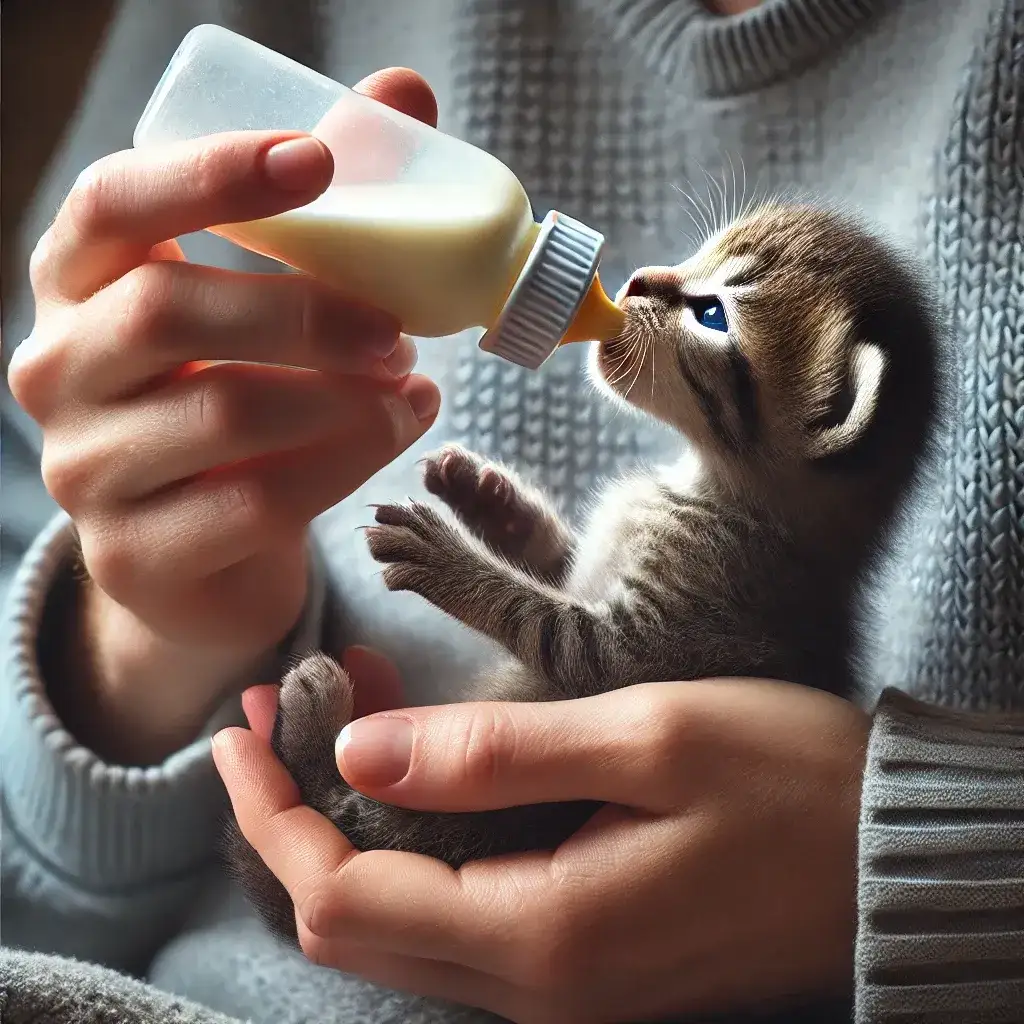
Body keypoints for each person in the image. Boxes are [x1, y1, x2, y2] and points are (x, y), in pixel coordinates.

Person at [1, 1, 1022, 1022]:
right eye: (697, 268)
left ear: (826, 415)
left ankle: (337, 796)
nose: (651, 282)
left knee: (461, 803)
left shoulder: (751, 562)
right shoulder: (706, 519)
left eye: (709, 313)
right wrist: (137, 634)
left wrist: (932, 855)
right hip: (161, 974)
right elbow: (602, 599)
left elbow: (593, 656)